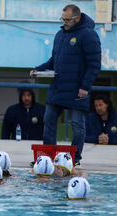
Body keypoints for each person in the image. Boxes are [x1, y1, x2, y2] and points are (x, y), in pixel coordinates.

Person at [30, 4, 101, 166]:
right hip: (58, 88)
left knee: (77, 126)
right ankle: (47, 158)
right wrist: (37, 70)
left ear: (77, 18)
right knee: (48, 120)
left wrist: (85, 87)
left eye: (67, 20)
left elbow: (94, 64)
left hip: (78, 90)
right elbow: (53, 61)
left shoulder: (89, 35)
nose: (64, 22)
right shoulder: (60, 35)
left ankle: (74, 159)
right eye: (62, 19)